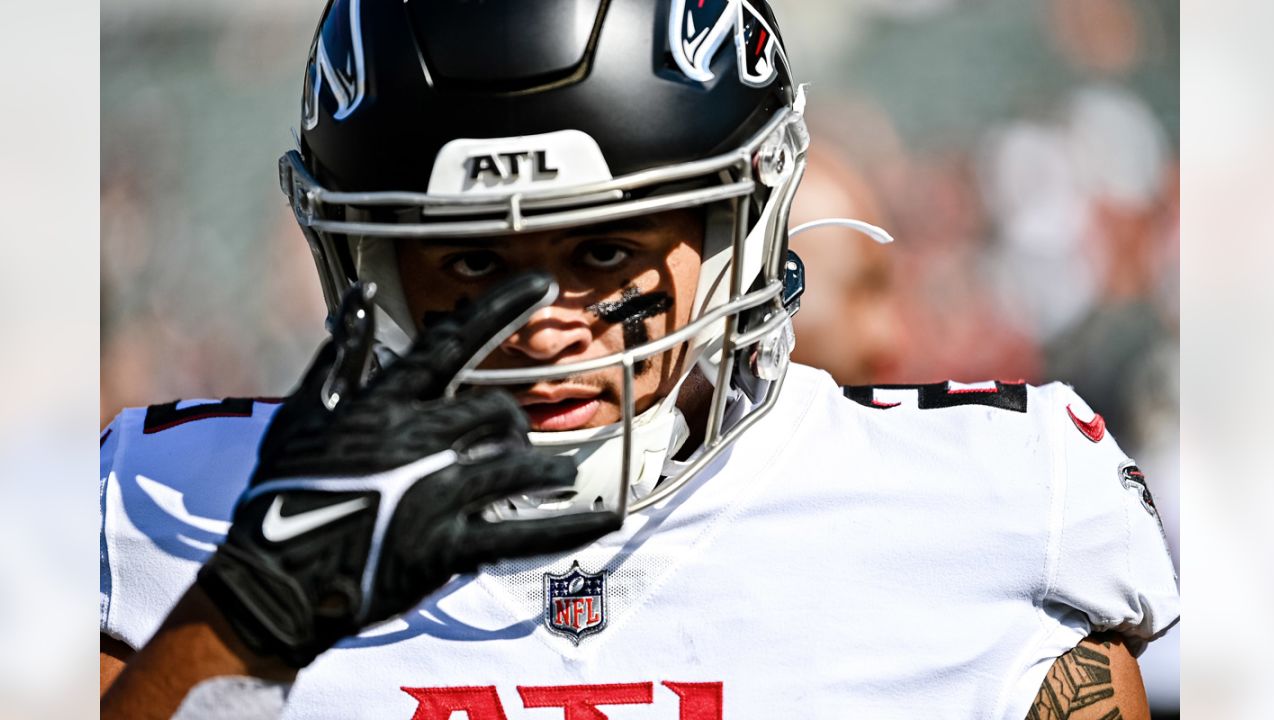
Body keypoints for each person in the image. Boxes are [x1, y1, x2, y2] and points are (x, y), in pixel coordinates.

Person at [99, 1, 1178, 718]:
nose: (541, 322)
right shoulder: (165, 517)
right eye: (470, 259)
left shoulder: (986, 511)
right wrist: (242, 623)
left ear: (737, 229)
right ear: (368, 260)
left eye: (602, 249)